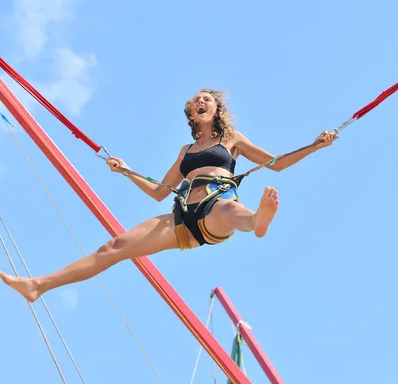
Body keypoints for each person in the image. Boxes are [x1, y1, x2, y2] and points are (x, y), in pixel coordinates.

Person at [0, 89, 337, 302]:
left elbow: (275, 164)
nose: (200, 101)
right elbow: (159, 192)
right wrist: (127, 171)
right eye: (196, 100)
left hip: (216, 205)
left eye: (207, 98)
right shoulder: (186, 150)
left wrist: (314, 145)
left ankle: (259, 222)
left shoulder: (232, 139)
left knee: (233, 212)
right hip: (181, 218)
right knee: (113, 247)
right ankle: (38, 286)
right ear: (192, 113)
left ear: (217, 108)